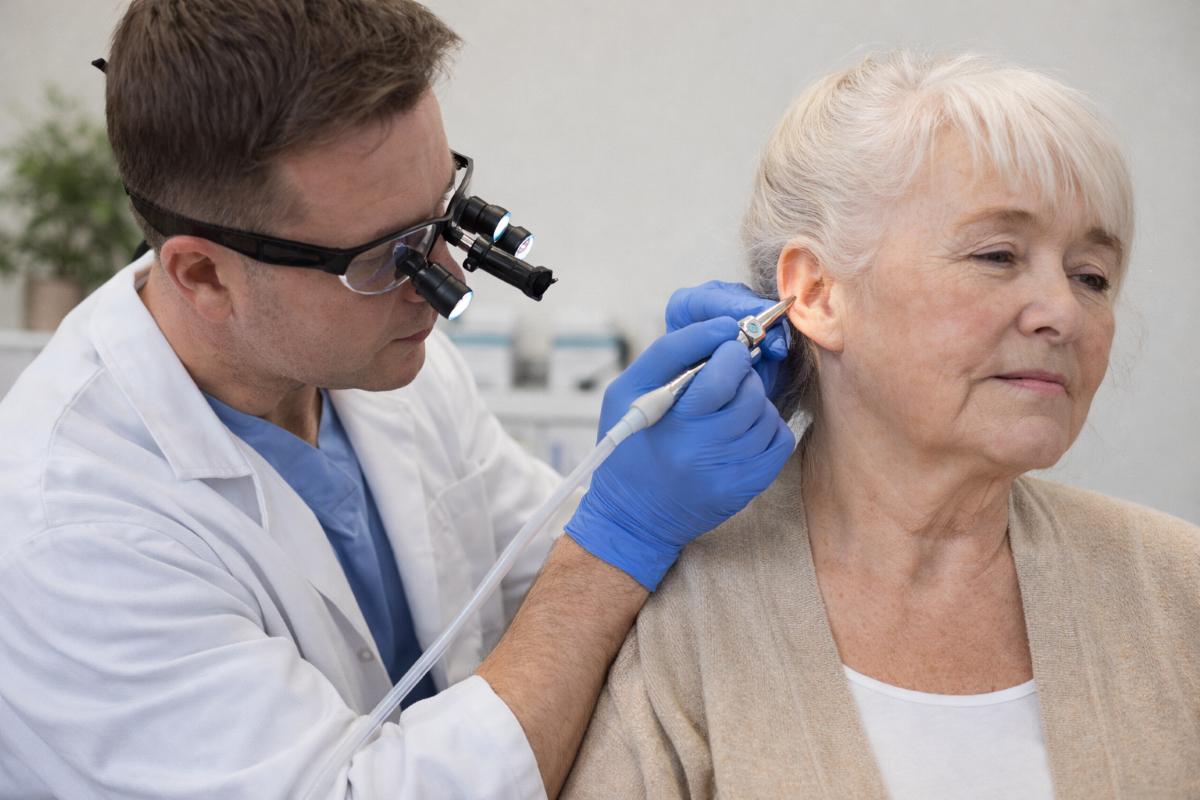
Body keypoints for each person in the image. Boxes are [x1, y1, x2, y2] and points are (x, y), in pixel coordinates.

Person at [0, 2, 796, 798]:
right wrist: (619, 534)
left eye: (444, 212)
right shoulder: (69, 532)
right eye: (388, 255)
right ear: (204, 275)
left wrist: (637, 475)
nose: (441, 278)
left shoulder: (374, 359)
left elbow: (533, 577)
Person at [563, 50, 1200, 799]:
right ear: (817, 293)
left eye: (1091, 275)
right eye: (997, 255)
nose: (1063, 312)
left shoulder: (1179, 588)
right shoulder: (674, 616)